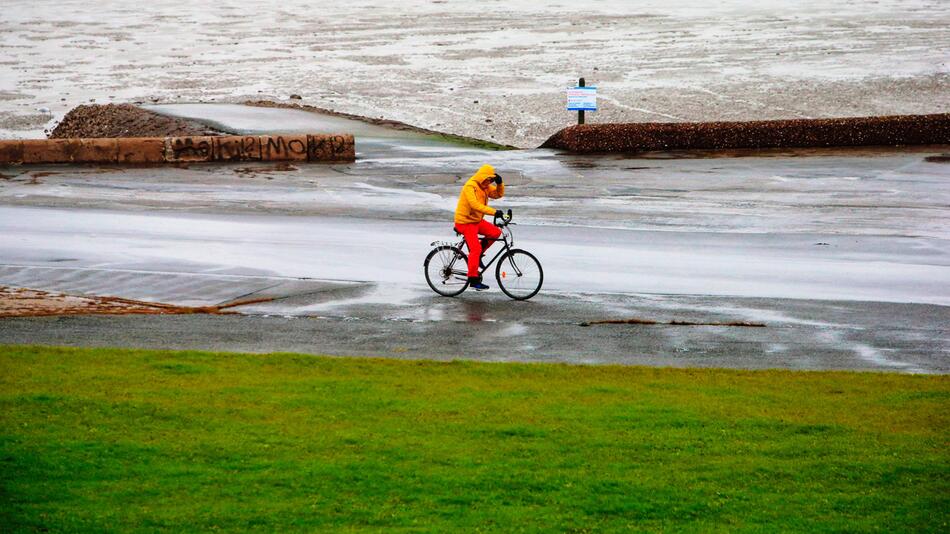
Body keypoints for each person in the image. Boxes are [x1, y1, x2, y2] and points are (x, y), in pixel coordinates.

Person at [454, 164, 505, 290]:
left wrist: (500, 183)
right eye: (489, 179)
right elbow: (474, 204)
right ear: (483, 177)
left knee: (495, 233)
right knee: (475, 249)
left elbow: (498, 195)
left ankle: (478, 256)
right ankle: (473, 279)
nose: (490, 182)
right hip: (465, 222)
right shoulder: (470, 186)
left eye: (492, 180)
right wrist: (494, 212)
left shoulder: (485, 186)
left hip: (476, 221)